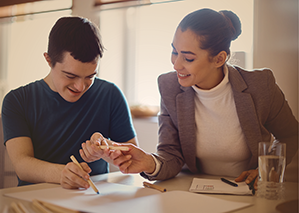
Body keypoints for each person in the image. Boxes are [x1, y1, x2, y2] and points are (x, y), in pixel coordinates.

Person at [91, 8, 298, 190]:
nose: (176, 64)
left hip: (247, 194)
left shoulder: (260, 86)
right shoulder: (169, 87)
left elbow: (291, 135)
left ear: (219, 59)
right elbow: (170, 154)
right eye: (174, 51)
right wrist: (149, 162)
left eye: (188, 58)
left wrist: (264, 170)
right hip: (193, 194)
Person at [2, 16, 137, 189]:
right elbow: (22, 165)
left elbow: (132, 155)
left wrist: (107, 150)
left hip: (94, 200)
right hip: (36, 198)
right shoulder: (18, 101)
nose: (80, 87)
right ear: (49, 60)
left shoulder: (110, 94)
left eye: (90, 77)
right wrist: (61, 174)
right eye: (70, 76)